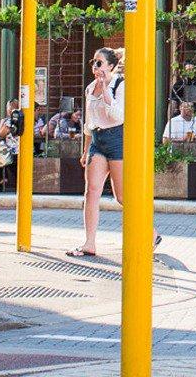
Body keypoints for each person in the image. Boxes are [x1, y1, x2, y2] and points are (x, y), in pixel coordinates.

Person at [70, 48, 127, 258]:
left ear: (111, 66)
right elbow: (89, 121)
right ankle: (89, 243)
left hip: (116, 139)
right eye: (94, 63)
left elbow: (117, 116)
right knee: (91, 191)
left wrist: (105, 91)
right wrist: (85, 149)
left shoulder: (120, 85)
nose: (96, 67)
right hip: (97, 140)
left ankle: (150, 233)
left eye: (100, 63)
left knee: (122, 196)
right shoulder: (89, 88)